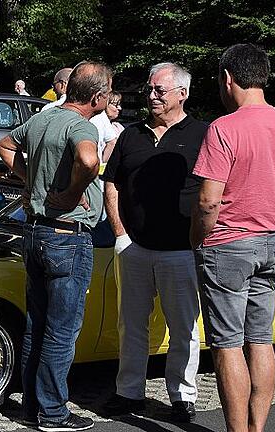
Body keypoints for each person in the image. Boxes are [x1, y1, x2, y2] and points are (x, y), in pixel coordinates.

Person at [0, 61, 112, 432]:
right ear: (96, 97)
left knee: (37, 325)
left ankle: (32, 407)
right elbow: (89, 159)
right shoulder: (82, 126)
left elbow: (4, 143)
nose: (109, 98)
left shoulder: (43, 119)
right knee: (61, 331)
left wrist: (27, 177)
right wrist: (71, 192)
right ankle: (53, 413)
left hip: (34, 232)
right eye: (108, 92)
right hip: (67, 236)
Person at [190, 44, 275, 432]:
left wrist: (197, 240)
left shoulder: (223, 128)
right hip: (272, 242)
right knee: (261, 339)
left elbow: (207, 201)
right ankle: (257, 428)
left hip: (227, 244)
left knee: (228, 344)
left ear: (227, 78)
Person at [102, 62, 208, 423]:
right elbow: (111, 182)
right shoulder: (132, 134)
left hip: (181, 248)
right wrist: (119, 232)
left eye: (159, 90)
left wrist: (200, 238)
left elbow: (215, 191)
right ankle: (129, 392)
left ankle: (183, 395)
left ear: (183, 93)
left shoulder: (203, 135)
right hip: (134, 247)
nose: (152, 96)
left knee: (184, 327)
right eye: (150, 90)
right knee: (131, 324)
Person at [42, 67, 117, 164]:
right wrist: (100, 164)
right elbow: (112, 142)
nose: (53, 90)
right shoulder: (98, 110)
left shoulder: (48, 110)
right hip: (91, 175)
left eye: (54, 85)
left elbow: (87, 162)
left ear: (63, 84)